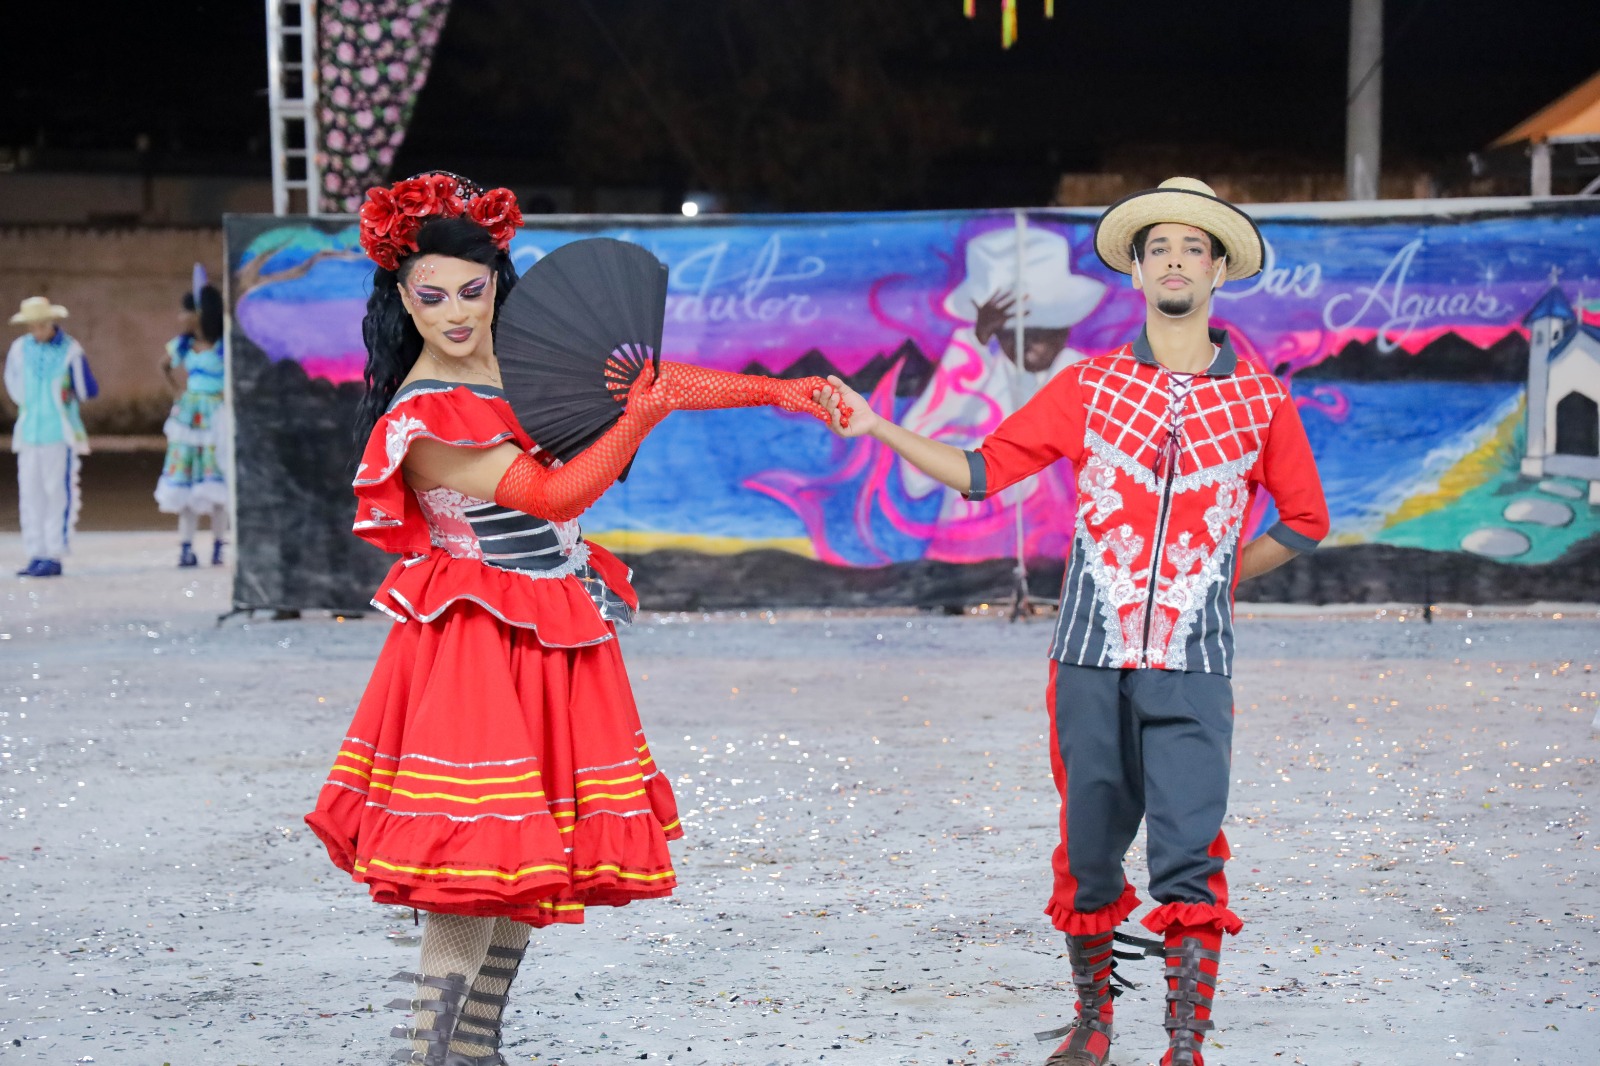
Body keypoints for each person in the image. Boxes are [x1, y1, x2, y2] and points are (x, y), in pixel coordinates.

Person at [303, 172, 843, 1066]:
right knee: (469, 871)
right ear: (402, 297)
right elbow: (556, 489)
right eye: (431, 296)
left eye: (471, 291)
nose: (455, 312)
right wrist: (639, 420)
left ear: (496, 285)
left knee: (533, 855)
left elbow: (657, 381)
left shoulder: (521, 361)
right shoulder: (424, 413)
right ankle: (427, 1055)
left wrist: (779, 391)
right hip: (475, 644)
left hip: (557, 628)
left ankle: (476, 1050)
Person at [815, 178, 1329, 1066]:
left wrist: (1214, 579)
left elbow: (1306, 520)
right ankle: (1094, 1020)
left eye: (1193, 248)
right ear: (1137, 271)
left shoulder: (1262, 402)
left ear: (1217, 273)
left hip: (1194, 664)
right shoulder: (1089, 386)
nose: (1175, 261)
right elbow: (981, 470)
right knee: (1089, 850)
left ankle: (1184, 1043)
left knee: (1191, 849)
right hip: (1088, 659)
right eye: (1158, 247)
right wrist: (879, 427)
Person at [901, 225, 1105, 518]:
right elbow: (917, 458)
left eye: (1044, 327)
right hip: (973, 541)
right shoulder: (973, 368)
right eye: (1011, 332)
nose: (1029, 342)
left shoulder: (1088, 377)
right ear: (994, 334)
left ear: (1066, 327)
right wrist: (975, 346)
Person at [5, 296, 96, 578]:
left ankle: (54, 552)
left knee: (56, 491)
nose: (37, 331)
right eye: (32, 326)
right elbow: (14, 384)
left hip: (59, 432)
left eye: (41, 325)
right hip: (30, 431)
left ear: (51, 323)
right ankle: (37, 551)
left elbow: (87, 389)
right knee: (30, 493)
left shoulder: (70, 351)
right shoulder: (20, 349)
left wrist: (67, 395)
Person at [154, 281, 231, 566]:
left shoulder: (224, 345)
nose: (180, 318)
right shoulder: (183, 346)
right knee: (186, 479)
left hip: (216, 416)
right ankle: (186, 546)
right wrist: (178, 392)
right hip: (189, 418)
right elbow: (163, 366)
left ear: (199, 314)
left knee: (217, 479)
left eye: (184, 312)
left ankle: (218, 546)